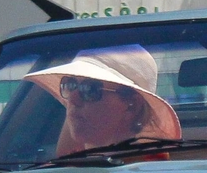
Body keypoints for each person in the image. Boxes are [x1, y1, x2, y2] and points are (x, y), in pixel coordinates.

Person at [25, 49, 182, 156]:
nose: (73, 99)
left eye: (90, 89)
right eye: (70, 84)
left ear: (131, 105)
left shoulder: (152, 172)